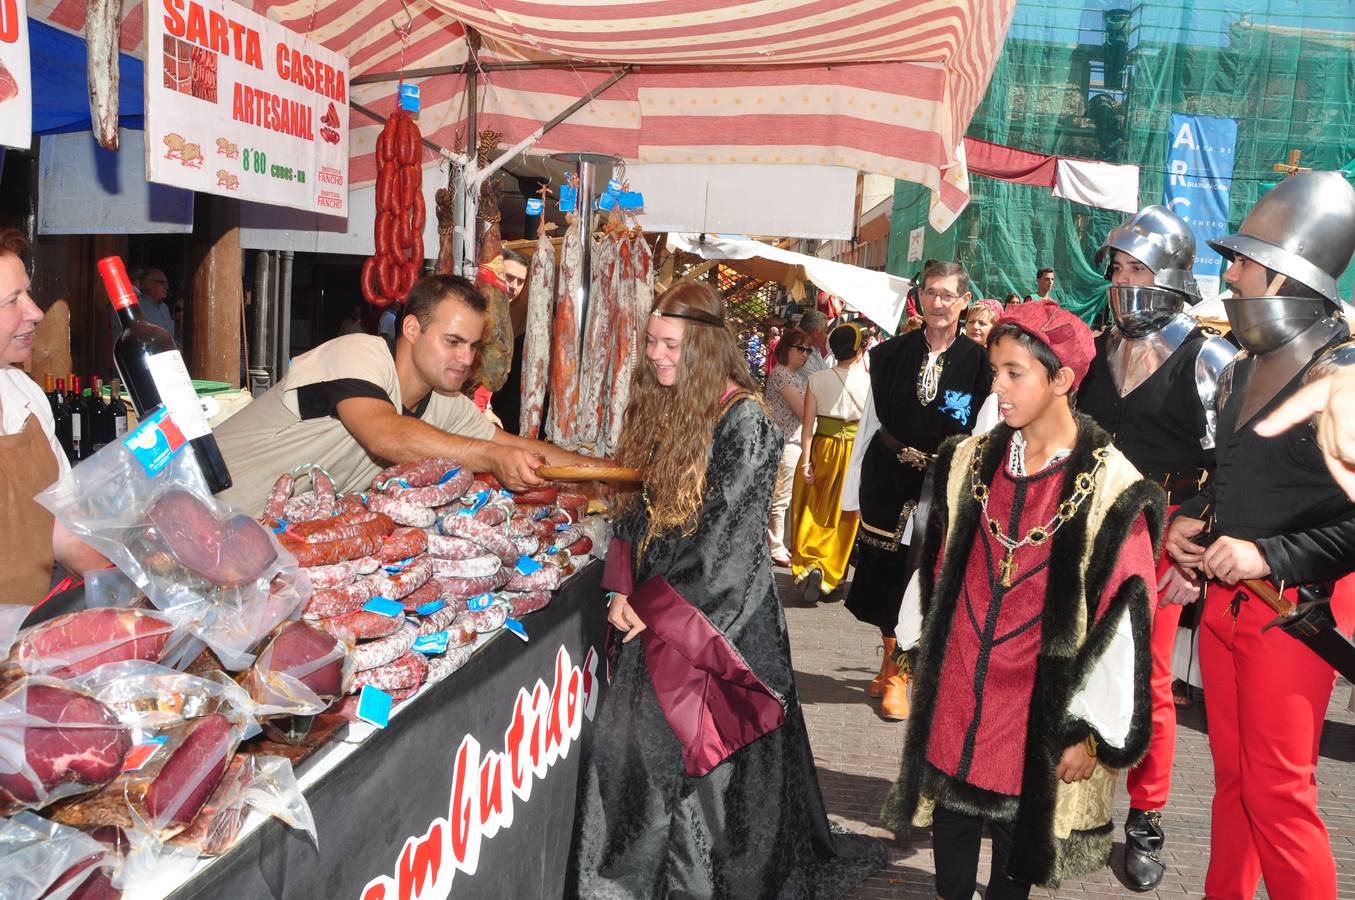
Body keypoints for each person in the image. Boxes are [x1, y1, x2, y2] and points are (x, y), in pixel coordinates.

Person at [568, 281, 884, 898]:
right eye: (651, 342)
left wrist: (648, 607)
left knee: (706, 785)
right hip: (656, 611)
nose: (655, 355)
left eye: (669, 344)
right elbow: (634, 516)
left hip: (720, 630)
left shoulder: (747, 423)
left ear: (705, 349)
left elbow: (726, 551)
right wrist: (619, 589)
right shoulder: (660, 408)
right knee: (635, 757)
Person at [882, 300, 1161, 897]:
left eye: (1014, 373)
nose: (998, 388)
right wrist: (914, 641)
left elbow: (1125, 619)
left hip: (1039, 695)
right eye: (995, 372)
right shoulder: (970, 459)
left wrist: (1092, 728)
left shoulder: (1114, 488)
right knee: (952, 813)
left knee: (1017, 836)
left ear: (1061, 379)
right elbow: (934, 562)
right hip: (960, 671)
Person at [1165, 171, 1355, 900]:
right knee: (1235, 784)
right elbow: (1239, 479)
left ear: (1283, 272)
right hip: (1225, 607)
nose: (1229, 273)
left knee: (1278, 794)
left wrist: (1267, 554)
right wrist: (1200, 517)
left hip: (1292, 617)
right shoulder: (1237, 372)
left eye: (1241, 261)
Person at [1076, 204, 1236, 891]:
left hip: (1163, 542)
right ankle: (1076, 806)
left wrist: (1194, 553)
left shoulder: (1211, 358)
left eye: (1137, 267)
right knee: (1074, 665)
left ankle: (1146, 816)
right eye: (1116, 267)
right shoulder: (1098, 349)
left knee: (1148, 687)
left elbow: (1231, 470)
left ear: (1170, 276)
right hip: (1086, 536)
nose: (1122, 280)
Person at [213, 274, 596, 515]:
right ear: (412, 329)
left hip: (257, 542)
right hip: (200, 504)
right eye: (453, 342)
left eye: (473, 346)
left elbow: (520, 449)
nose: (466, 359)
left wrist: (605, 472)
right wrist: (494, 457)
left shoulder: (444, 403)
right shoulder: (358, 352)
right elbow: (387, 434)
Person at [842, 262, 992, 720]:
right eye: (931, 293)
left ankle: (901, 675)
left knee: (923, 573)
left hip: (943, 485)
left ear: (965, 300)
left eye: (948, 294)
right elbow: (869, 423)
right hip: (887, 476)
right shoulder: (888, 355)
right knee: (884, 570)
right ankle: (889, 661)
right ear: (919, 297)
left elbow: (986, 434)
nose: (939, 303)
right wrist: (851, 490)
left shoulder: (983, 365)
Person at [0, 229, 107, 610]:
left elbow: (63, 531)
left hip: (28, 648)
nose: (36, 312)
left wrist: (132, 596)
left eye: (27, 293)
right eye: (13, 300)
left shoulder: (24, 396)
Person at [789, 323, 869, 602]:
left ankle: (811, 563)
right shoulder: (870, 382)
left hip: (821, 448)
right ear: (860, 350)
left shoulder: (817, 379)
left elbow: (808, 423)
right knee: (844, 513)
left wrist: (805, 461)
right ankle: (831, 572)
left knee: (814, 509)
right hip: (853, 453)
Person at [764, 326, 810, 566]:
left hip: (795, 440)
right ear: (786, 349)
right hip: (784, 441)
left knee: (786, 496)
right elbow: (803, 411)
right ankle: (776, 546)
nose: (804, 354)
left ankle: (780, 542)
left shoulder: (798, 377)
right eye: (800, 348)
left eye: (808, 350)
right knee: (780, 497)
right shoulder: (781, 374)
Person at [489, 249, 530, 435]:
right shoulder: (482, 309)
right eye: (509, 277)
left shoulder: (503, 313)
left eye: (520, 282)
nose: (514, 286)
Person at [109, 267, 176, 346]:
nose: (167, 287)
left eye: (167, 283)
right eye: (162, 283)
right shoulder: (133, 307)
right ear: (147, 284)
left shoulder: (164, 308)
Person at [798, 308, 831, 375]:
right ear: (816, 332)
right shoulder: (800, 353)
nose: (826, 336)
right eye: (825, 332)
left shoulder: (815, 350)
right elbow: (820, 381)